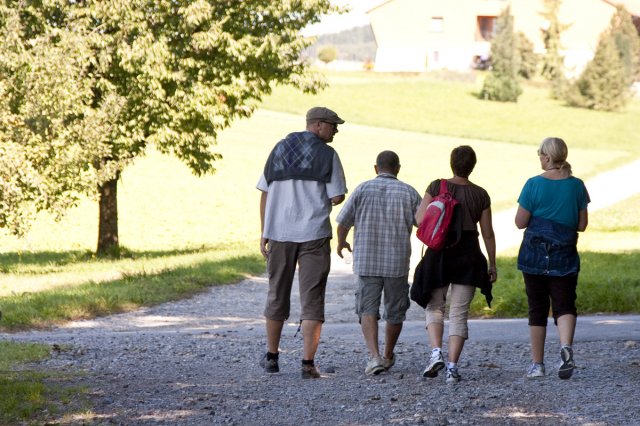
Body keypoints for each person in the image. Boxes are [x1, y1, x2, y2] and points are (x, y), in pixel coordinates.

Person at [257, 106, 348, 379]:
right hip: (314, 234)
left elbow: (265, 192)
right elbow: (337, 196)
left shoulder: (278, 149)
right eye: (332, 125)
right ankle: (308, 364)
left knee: (276, 293)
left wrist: (264, 230)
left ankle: (272, 357)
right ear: (318, 125)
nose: (336, 130)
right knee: (312, 299)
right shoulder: (328, 154)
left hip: (279, 232)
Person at [412, 145, 497, 384]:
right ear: (473, 166)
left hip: (439, 252)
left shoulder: (436, 186)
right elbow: (487, 233)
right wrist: (492, 264)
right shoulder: (481, 194)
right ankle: (452, 368)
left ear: (452, 163)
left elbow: (419, 219)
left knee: (435, 306)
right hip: (468, 254)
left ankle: (436, 352)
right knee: (459, 313)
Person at [335, 151, 421, 375]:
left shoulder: (362, 189)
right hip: (396, 263)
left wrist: (341, 242)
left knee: (367, 308)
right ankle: (388, 355)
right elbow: (423, 224)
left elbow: (343, 222)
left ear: (376, 168)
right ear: (398, 169)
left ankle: (374, 357)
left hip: (366, 261)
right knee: (395, 311)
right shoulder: (409, 192)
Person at [515, 137, 590, 380]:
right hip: (564, 252)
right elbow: (582, 225)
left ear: (547, 157)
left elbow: (520, 222)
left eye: (540, 154)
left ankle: (537, 365)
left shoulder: (533, 184)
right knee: (565, 305)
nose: (539, 157)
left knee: (537, 308)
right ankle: (565, 347)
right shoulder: (577, 185)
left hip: (534, 253)